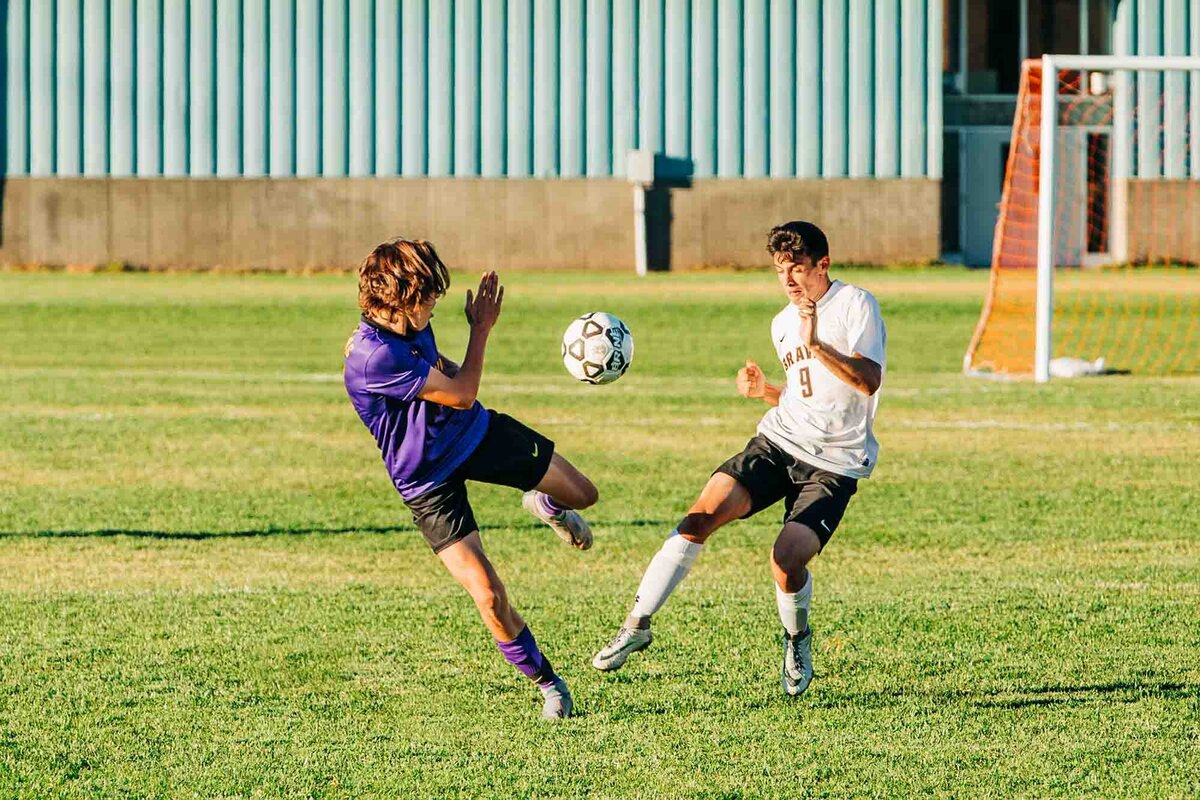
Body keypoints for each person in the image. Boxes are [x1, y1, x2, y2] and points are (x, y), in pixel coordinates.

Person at [592, 221, 886, 697]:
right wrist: (767, 392)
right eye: (778, 271)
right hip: (778, 443)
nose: (788, 281)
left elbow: (867, 380)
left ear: (822, 265)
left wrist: (817, 344)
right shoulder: (782, 322)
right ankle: (637, 623)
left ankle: (797, 638)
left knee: (786, 560)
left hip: (835, 464)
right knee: (699, 516)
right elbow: (807, 395)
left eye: (797, 269)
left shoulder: (856, 305)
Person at [343, 238, 599, 719]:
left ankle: (545, 503)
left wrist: (449, 365)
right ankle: (549, 684)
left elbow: (441, 374)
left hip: (475, 434)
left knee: (584, 495)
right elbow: (461, 394)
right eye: (428, 295)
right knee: (489, 595)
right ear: (399, 297)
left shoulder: (406, 323)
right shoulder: (374, 356)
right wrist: (481, 330)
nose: (435, 302)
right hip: (426, 482)